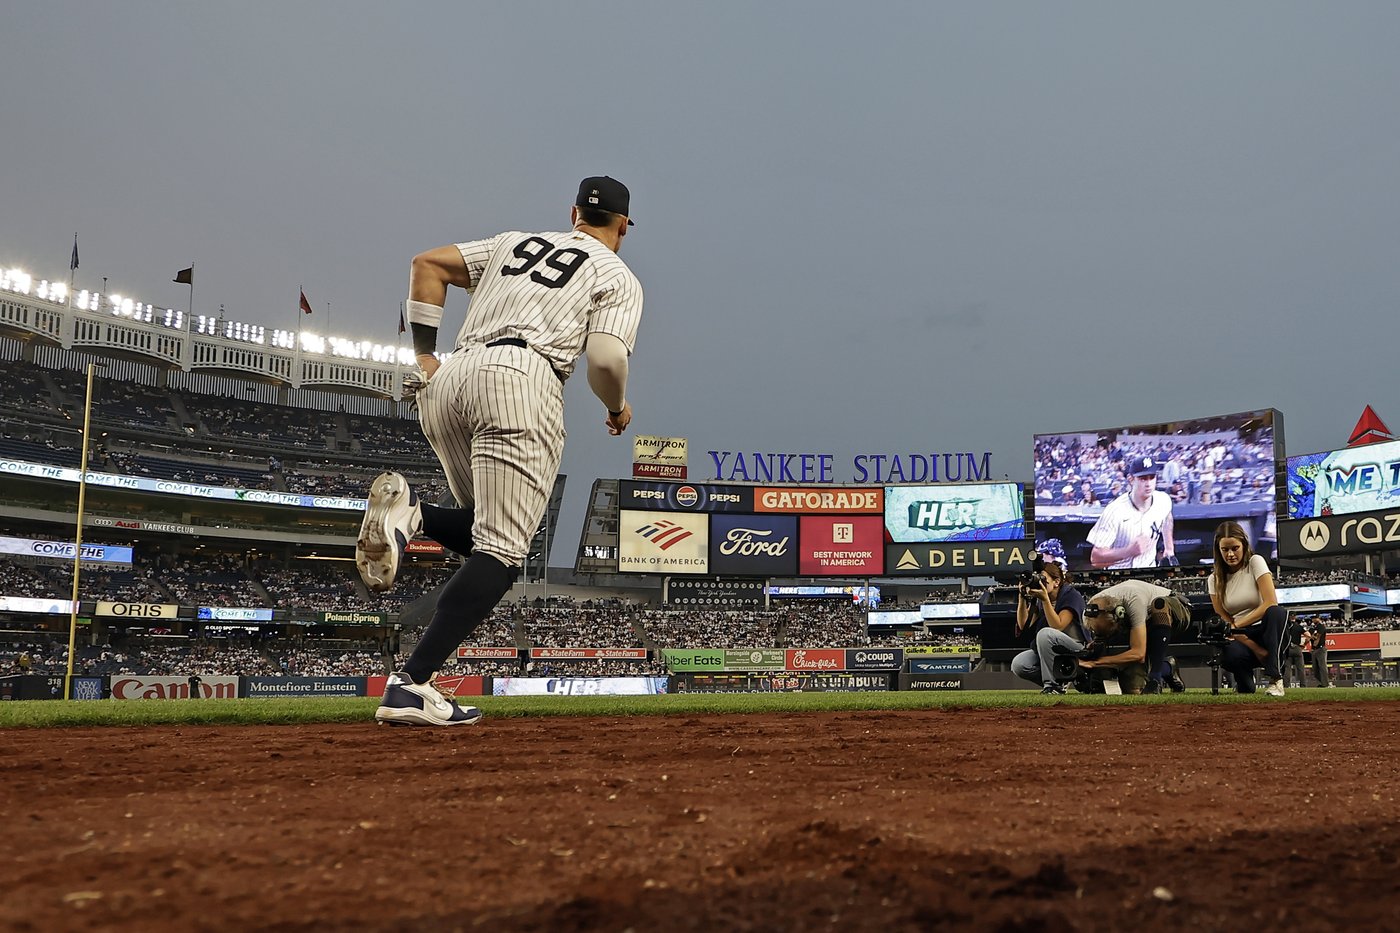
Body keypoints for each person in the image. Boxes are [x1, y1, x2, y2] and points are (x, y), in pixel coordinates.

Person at [358, 176, 643, 727]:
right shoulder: (616, 274)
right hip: (523, 378)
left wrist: (423, 356)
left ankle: (413, 516)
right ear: (624, 225)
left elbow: (428, 264)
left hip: (449, 379)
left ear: (573, 213)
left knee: (480, 529)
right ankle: (411, 683)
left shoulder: (515, 241)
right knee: (503, 553)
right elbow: (606, 361)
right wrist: (616, 408)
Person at [1207, 520, 1285, 696]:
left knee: (1277, 612)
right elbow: (1224, 619)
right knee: (1231, 659)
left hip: (1266, 629)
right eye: (1225, 549)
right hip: (1240, 637)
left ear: (1244, 545)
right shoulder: (1214, 579)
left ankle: (1275, 678)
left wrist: (1238, 625)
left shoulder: (1255, 562)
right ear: (1218, 550)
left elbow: (1270, 602)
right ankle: (1244, 680)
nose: (1230, 554)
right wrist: (1255, 648)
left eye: (1235, 548)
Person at [1075, 578, 1193, 694]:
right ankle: (1168, 667)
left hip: (1175, 610)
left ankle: (1155, 677)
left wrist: (1096, 662)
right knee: (1133, 688)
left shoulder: (1134, 601)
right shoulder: (1088, 615)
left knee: (1159, 605)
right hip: (1142, 623)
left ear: (1119, 615)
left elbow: (1138, 653)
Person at [1010, 541, 1089, 694]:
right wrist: (1022, 597)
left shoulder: (1071, 595)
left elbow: (1058, 626)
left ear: (1057, 581)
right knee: (1019, 664)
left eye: (1044, 579)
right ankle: (1064, 679)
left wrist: (1045, 600)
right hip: (1051, 648)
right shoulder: (1040, 597)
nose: (1040, 583)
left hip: (1076, 647)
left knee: (1045, 633)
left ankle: (1053, 686)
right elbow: (1023, 624)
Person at [1087, 456, 1177, 570]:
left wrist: (1169, 548)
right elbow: (1095, 559)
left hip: (1149, 570)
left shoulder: (1163, 500)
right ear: (1131, 479)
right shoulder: (1115, 511)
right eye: (1143, 478)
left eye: (1152, 477)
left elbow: (1167, 517)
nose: (1148, 483)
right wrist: (1129, 551)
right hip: (1120, 576)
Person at [1282, 615, 1307, 689]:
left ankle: (1286, 685)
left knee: (1287, 669)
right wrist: (1304, 644)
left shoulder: (1285, 627)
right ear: (1295, 618)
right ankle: (1303, 685)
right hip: (1297, 648)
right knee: (1300, 668)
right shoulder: (1298, 626)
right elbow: (1308, 635)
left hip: (1288, 648)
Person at [1309, 618, 1332, 687]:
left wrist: (1314, 643)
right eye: (1312, 619)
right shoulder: (1312, 628)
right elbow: (1309, 636)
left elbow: (1318, 637)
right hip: (1314, 650)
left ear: (1318, 619)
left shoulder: (1321, 626)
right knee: (1315, 668)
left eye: (1315, 618)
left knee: (1322, 667)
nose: (1313, 620)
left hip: (1320, 648)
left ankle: (1325, 684)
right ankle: (1321, 683)